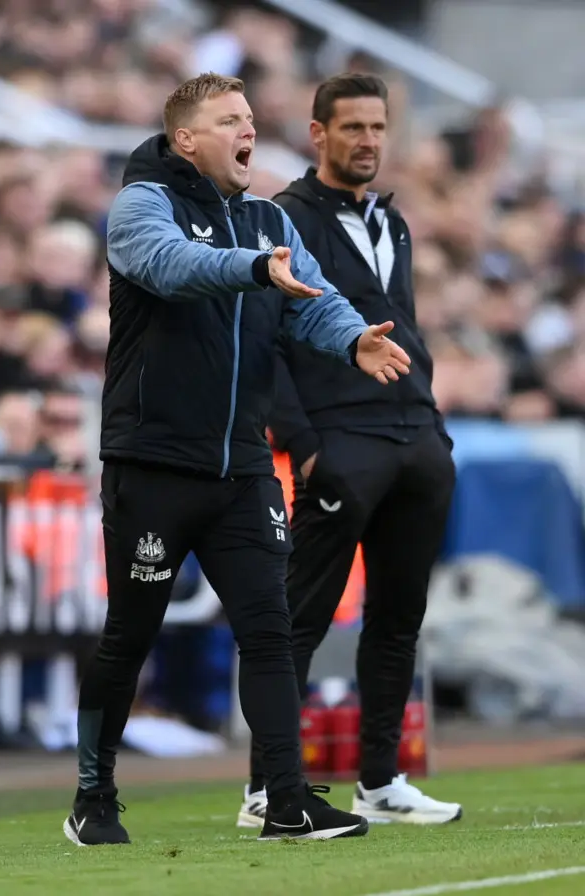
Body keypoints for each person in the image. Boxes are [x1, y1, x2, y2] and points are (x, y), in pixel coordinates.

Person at [63, 72, 412, 847]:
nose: (247, 130)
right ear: (187, 138)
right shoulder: (141, 205)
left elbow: (309, 294)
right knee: (132, 631)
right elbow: (171, 268)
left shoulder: (263, 217)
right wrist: (253, 268)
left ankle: (284, 799)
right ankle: (94, 793)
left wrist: (353, 338)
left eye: (250, 118)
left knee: (269, 628)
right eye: (229, 120)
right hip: (153, 463)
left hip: (243, 469)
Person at [238, 73, 461, 829]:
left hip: (412, 437)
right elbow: (263, 344)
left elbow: (405, 323)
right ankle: (268, 786)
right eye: (353, 127)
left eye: (377, 127)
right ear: (318, 133)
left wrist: (431, 422)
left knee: (398, 619)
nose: (368, 140)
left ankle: (380, 779)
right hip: (339, 438)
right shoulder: (286, 218)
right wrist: (302, 444)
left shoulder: (390, 222)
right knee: (300, 617)